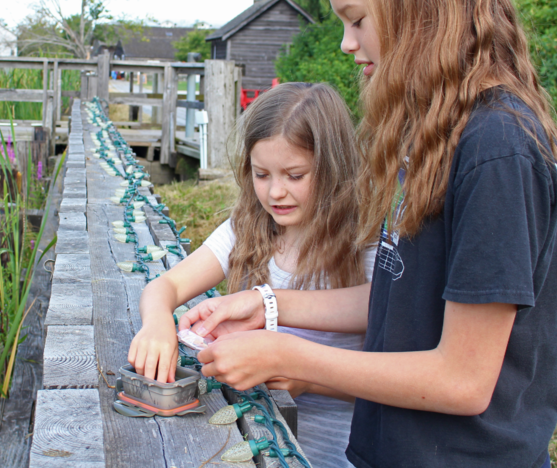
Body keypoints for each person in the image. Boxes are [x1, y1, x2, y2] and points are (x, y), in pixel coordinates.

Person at [179, 0, 557, 468]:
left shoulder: (497, 149)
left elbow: (463, 379)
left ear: (419, 4)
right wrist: (266, 304)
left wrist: (289, 356)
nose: (346, 43)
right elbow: (400, 296)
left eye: (357, 19)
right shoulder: (443, 133)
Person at [127, 81, 373, 467]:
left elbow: (396, 380)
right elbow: (167, 284)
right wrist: (157, 322)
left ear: (334, 166)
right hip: (246, 444)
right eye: (262, 175)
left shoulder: (366, 247)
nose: (276, 192)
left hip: (331, 454)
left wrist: (307, 379)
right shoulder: (246, 228)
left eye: (295, 175)